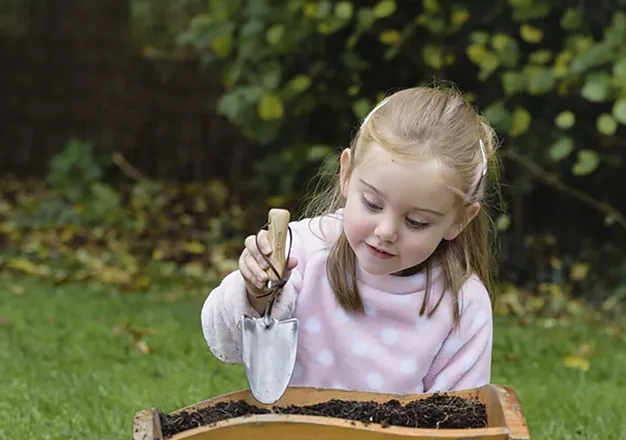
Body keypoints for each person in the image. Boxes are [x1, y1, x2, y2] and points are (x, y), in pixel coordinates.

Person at [201, 84, 500, 394]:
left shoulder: (463, 305)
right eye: (372, 203)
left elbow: (461, 421)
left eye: (416, 221)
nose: (386, 231)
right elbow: (223, 341)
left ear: (460, 220)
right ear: (346, 174)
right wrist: (254, 294)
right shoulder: (301, 251)